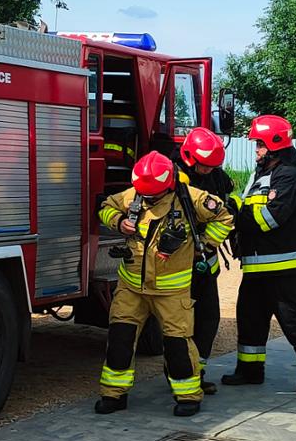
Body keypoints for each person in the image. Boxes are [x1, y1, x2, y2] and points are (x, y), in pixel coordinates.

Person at [95, 151, 235, 417]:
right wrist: (119, 221)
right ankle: (113, 394)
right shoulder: (135, 194)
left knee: (178, 344)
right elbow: (105, 208)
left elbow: (225, 218)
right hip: (131, 285)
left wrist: (202, 246)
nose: (147, 200)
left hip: (171, 291)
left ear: (168, 184)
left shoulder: (192, 198)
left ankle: (188, 396)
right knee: (120, 339)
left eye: (153, 195)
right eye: (143, 194)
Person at [223, 116, 296, 394]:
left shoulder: (288, 176)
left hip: (281, 263)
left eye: (259, 144)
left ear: (274, 144)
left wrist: (236, 213)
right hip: (259, 263)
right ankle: (250, 370)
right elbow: (249, 204)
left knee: (291, 317)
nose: (256, 150)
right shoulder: (263, 173)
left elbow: (269, 218)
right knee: (249, 315)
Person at [178, 127, 235, 396]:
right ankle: (180, 375)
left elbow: (227, 201)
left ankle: (197, 373)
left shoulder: (216, 175)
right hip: (176, 267)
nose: (208, 171)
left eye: (213, 166)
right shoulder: (173, 178)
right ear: (189, 157)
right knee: (179, 324)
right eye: (203, 166)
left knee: (209, 319)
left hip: (205, 263)